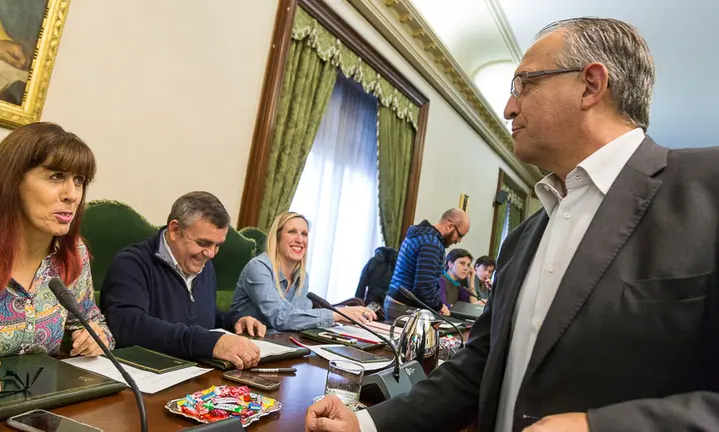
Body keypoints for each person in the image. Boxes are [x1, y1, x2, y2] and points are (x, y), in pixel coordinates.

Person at [306, 17, 719, 432]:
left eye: (524, 84)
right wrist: (367, 424)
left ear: (591, 85)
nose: (508, 108)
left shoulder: (707, 189)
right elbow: (479, 368)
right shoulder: (521, 239)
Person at [0, 122, 113, 401]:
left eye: (79, 181)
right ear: (11, 181)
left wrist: (96, 339)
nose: (72, 194)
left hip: (39, 407)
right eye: (56, 176)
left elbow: (92, 322)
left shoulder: (73, 254)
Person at [101, 192, 266, 370]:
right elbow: (128, 326)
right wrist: (210, 342)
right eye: (203, 243)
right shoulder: (131, 263)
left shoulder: (204, 265)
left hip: (198, 376)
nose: (210, 254)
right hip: (148, 379)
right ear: (174, 230)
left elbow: (203, 315)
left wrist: (234, 320)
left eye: (217, 245)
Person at [230, 212, 377, 331]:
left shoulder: (302, 276)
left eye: (304, 234)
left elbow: (299, 320)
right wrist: (338, 314)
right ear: (278, 237)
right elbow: (280, 318)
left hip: (281, 345)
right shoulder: (258, 267)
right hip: (247, 345)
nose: (300, 239)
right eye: (292, 232)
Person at [383, 208, 469, 320]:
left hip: (394, 303)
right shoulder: (431, 243)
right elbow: (424, 288)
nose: (459, 240)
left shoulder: (419, 235)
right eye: (460, 235)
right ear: (450, 226)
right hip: (404, 307)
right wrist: (440, 306)